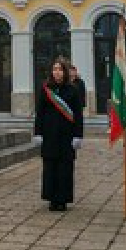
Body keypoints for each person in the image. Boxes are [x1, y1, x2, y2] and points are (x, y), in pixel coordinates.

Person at [33, 59, 84, 211]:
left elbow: (78, 115)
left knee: (65, 168)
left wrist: (78, 135)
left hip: (67, 135)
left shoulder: (73, 90)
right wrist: (38, 133)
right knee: (50, 168)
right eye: (54, 69)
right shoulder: (45, 89)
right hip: (49, 134)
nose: (57, 72)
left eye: (60, 69)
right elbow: (40, 113)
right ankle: (51, 198)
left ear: (65, 72)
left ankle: (62, 199)